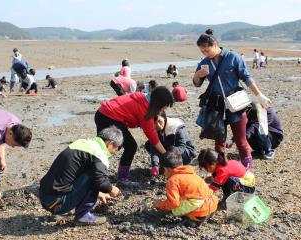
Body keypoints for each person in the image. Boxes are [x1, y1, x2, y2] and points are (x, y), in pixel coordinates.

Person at [192, 29, 271, 168]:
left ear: (215, 44)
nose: (205, 53)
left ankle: (247, 169)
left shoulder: (233, 57)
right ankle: (222, 170)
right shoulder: (205, 62)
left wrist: (259, 95)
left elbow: (246, 77)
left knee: (241, 141)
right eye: (202, 51)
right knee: (219, 142)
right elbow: (197, 84)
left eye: (207, 49)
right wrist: (198, 75)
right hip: (216, 106)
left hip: (236, 103)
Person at [39, 126, 122, 225]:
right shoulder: (99, 154)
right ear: (110, 143)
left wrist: (99, 194)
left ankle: (69, 208)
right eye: (117, 147)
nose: (116, 151)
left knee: (92, 173)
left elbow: (73, 176)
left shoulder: (82, 143)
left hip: (44, 197)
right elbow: (102, 183)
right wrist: (112, 189)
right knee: (94, 176)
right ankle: (83, 216)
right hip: (56, 203)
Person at [94, 86, 174, 185]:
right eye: (164, 107)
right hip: (110, 117)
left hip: (102, 113)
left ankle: (92, 173)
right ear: (158, 104)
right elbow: (152, 137)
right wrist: (166, 154)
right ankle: (121, 178)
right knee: (130, 146)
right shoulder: (145, 110)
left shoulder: (143, 97)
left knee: (101, 148)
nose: (164, 110)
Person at [152, 147, 218, 228]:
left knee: (173, 207)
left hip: (200, 214)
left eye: (163, 171)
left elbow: (174, 203)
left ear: (166, 169)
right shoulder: (191, 173)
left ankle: (191, 220)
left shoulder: (173, 180)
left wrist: (160, 204)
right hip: (212, 207)